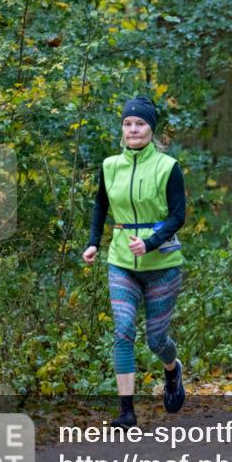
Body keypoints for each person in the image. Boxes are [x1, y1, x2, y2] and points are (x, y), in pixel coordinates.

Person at [82, 96, 187, 427]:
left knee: (156, 339)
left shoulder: (168, 167)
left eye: (140, 123)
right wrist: (93, 243)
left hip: (162, 264)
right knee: (124, 329)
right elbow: (101, 205)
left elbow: (178, 216)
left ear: (151, 129)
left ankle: (172, 370)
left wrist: (151, 242)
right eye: (127, 124)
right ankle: (126, 411)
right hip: (122, 260)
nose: (133, 129)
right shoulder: (110, 166)